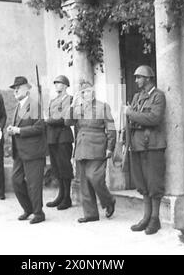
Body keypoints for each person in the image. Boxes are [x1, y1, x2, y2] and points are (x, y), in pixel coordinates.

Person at [123, 65, 166, 235]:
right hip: (137, 144)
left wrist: (131, 114)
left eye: (139, 77)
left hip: (154, 145)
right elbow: (133, 120)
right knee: (142, 183)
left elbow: (154, 118)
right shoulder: (136, 97)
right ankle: (146, 217)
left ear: (147, 78)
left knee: (154, 183)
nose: (136, 81)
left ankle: (155, 219)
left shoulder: (158, 96)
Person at [65, 80, 116, 223]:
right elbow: (67, 122)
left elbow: (111, 128)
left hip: (97, 146)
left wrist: (110, 147)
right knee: (84, 182)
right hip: (81, 147)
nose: (85, 94)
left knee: (95, 178)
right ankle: (91, 214)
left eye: (87, 91)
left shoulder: (103, 106)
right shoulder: (78, 108)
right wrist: (72, 105)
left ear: (93, 92)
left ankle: (109, 201)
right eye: (82, 92)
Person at [7, 76, 47, 224]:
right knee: (16, 181)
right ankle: (28, 209)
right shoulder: (18, 106)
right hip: (20, 151)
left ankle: (38, 213)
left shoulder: (34, 105)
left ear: (27, 88)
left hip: (33, 151)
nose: (15, 90)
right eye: (14, 88)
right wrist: (13, 130)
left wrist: (18, 130)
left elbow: (39, 127)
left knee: (34, 184)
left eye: (18, 87)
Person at [45, 75, 74, 210]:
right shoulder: (53, 101)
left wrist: (49, 120)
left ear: (66, 85)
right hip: (52, 138)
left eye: (59, 83)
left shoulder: (69, 99)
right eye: (55, 83)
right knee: (56, 168)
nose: (56, 85)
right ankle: (61, 195)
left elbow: (63, 118)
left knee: (65, 168)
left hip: (63, 137)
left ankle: (67, 197)